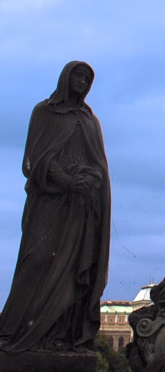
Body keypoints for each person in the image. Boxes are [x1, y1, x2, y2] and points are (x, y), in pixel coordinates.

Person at [0, 61, 111, 354]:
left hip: (80, 209)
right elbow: (33, 160)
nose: (84, 81)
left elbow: (98, 164)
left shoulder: (89, 120)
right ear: (66, 77)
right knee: (36, 261)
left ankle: (61, 337)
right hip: (50, 203)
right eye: (79, 75)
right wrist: (65, 179)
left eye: (88, 78)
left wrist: (90, 180)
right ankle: (12, 333)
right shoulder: (44, 112)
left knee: (73, 272)